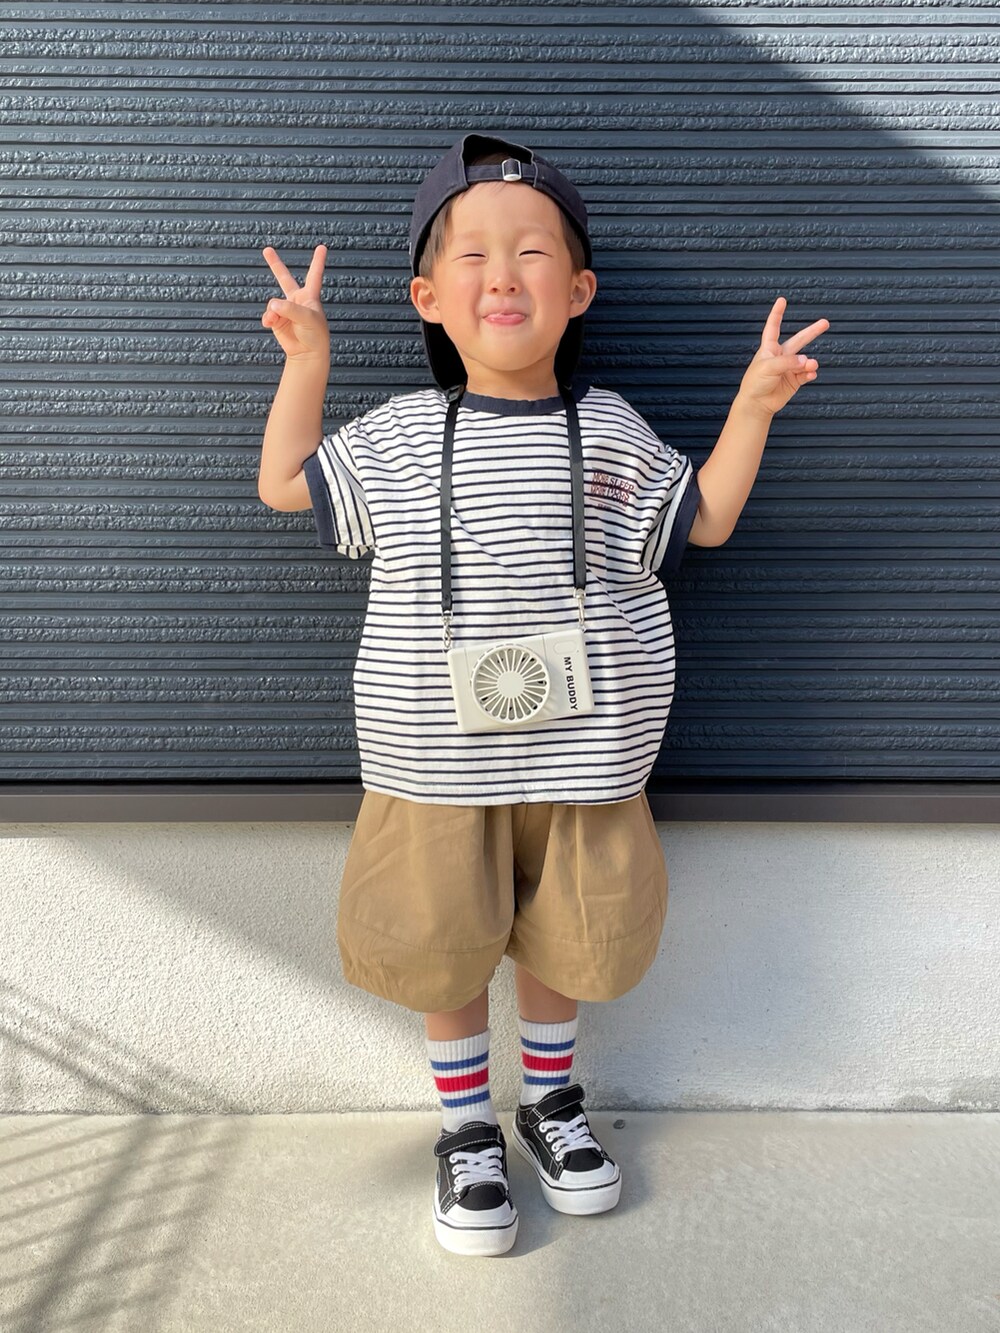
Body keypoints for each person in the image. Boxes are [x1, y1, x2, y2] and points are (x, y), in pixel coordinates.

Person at [257, 132, 829, 1258]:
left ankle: (550, 1101)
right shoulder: (406, 433)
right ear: (428, 297)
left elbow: (699, 520)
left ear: (579, 292)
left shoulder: (609, 429)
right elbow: (286, 485)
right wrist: (306, 360)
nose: (502, 275)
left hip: (588, 760)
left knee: (570, 941)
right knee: (441, 944)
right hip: (433, 764)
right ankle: (466, 1124)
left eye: (531, 253)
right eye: (471, 256)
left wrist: (754, 405)